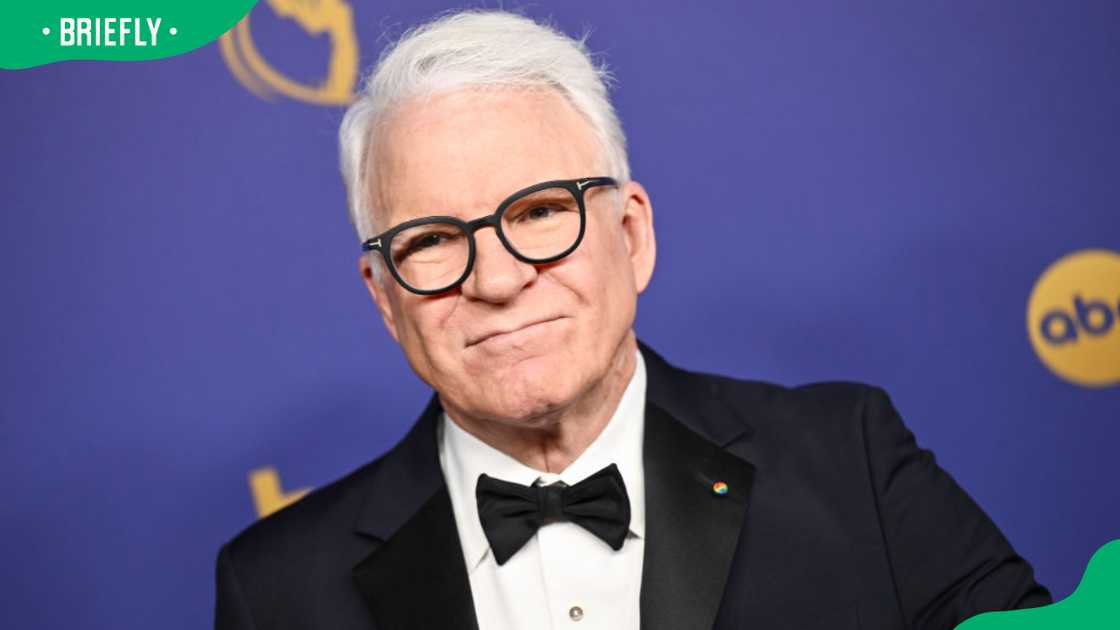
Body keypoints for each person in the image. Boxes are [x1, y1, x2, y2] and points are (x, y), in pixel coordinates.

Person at [214, 10, 1050, 630]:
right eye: (432, 240)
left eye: (540, 212)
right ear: (384, 296)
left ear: (632, 235)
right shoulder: (278, 588)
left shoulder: (851, 459)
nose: (499, 279)